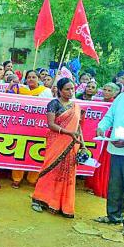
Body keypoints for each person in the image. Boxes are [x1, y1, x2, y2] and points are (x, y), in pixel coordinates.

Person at [31, 78, 85, 218]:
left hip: (73, 144)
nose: (70, 92)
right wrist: (68, 133)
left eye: (72, 89)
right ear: (60, 90)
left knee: (67, 173)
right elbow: (51, 124)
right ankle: (39, 200)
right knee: (50, 170)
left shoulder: (76, 107)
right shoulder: (53, 104)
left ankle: (62, 204)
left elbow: (78, 128)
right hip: (57, 142)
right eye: (67, 89)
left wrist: (83, 145)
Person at [94, 70, 124, 237]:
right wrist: (101, 127)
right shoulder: (121, 98)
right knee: (115, 186)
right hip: (116, 149)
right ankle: (114, 215)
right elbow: (109, 116)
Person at [11, 70, 52, 188]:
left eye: (34, 77)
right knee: (20, 151)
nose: (31, 79)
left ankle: (33, 178)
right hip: (23, 125)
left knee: (37, 152)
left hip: (39, 126)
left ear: (39, 79)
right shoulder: (21, 90)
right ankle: (17, 178)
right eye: (29, 77)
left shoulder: (46, 91)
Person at [85, 82, 121, 198]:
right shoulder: (98, 102)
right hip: (97, 134)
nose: (106, 92)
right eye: (105, 89)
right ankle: (91, 184)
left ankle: (100, 187)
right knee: (95, 157)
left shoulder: (116, 104)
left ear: (116, 93)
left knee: (104, 162)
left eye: (109, 91)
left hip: (108, 136)